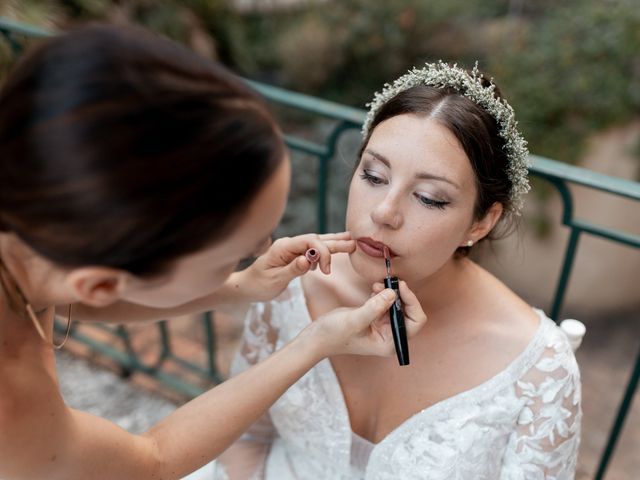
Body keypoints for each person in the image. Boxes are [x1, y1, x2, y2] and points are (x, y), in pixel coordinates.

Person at [0, 25, 429, 480]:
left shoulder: (37, 224)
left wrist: (241, 285)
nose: (264, 249)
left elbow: (73, 300)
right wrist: (314, 343)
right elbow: (153, 460)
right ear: (103, 281)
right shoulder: (10, 403)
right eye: (236, 254)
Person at [202, 62, 582, 479]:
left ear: (481, 222)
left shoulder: (539, 368)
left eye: (429, 198)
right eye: (373, 174)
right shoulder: (292, 283)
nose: (383, 212)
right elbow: (244, 438)